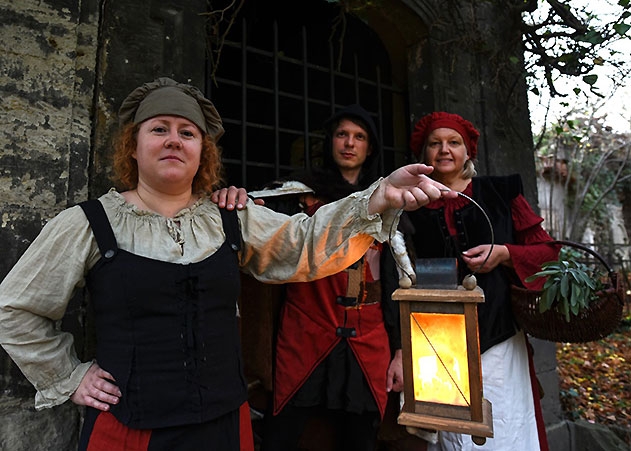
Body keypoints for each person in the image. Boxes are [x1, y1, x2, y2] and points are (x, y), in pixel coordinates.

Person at [0, 77, 454, 451]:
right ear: (133, 147)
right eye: (159, 129)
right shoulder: (87, 223)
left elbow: (304, 244)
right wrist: (70, 375)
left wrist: (378, 196)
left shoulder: (230, 217)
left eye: (187, 133)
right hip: (129, 430)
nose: (174, 140)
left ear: (203, 152)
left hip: (223, 427)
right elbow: (14, 309)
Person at [255, 104, 408, 451]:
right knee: (282, 437)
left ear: (370, 148)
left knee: (360, 439)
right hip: (305, 334)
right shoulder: (298, 195)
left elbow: (394, 282)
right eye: (342, 134)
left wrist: (400, 351)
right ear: (330, 141)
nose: (349, 143)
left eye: (359, 137)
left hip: (368, 341)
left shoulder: (387, 201)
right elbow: (261, 228)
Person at [405, 112, 559, 451]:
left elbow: (548, 253)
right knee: (454, 433)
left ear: (468, 152)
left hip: (498, 336)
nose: (444, 150)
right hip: (439, 340)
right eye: (435, 143)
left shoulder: (500, 193)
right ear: (423, 154)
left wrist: (504, 253)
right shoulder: (411, 205)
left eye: (454, 142)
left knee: (504, 427)